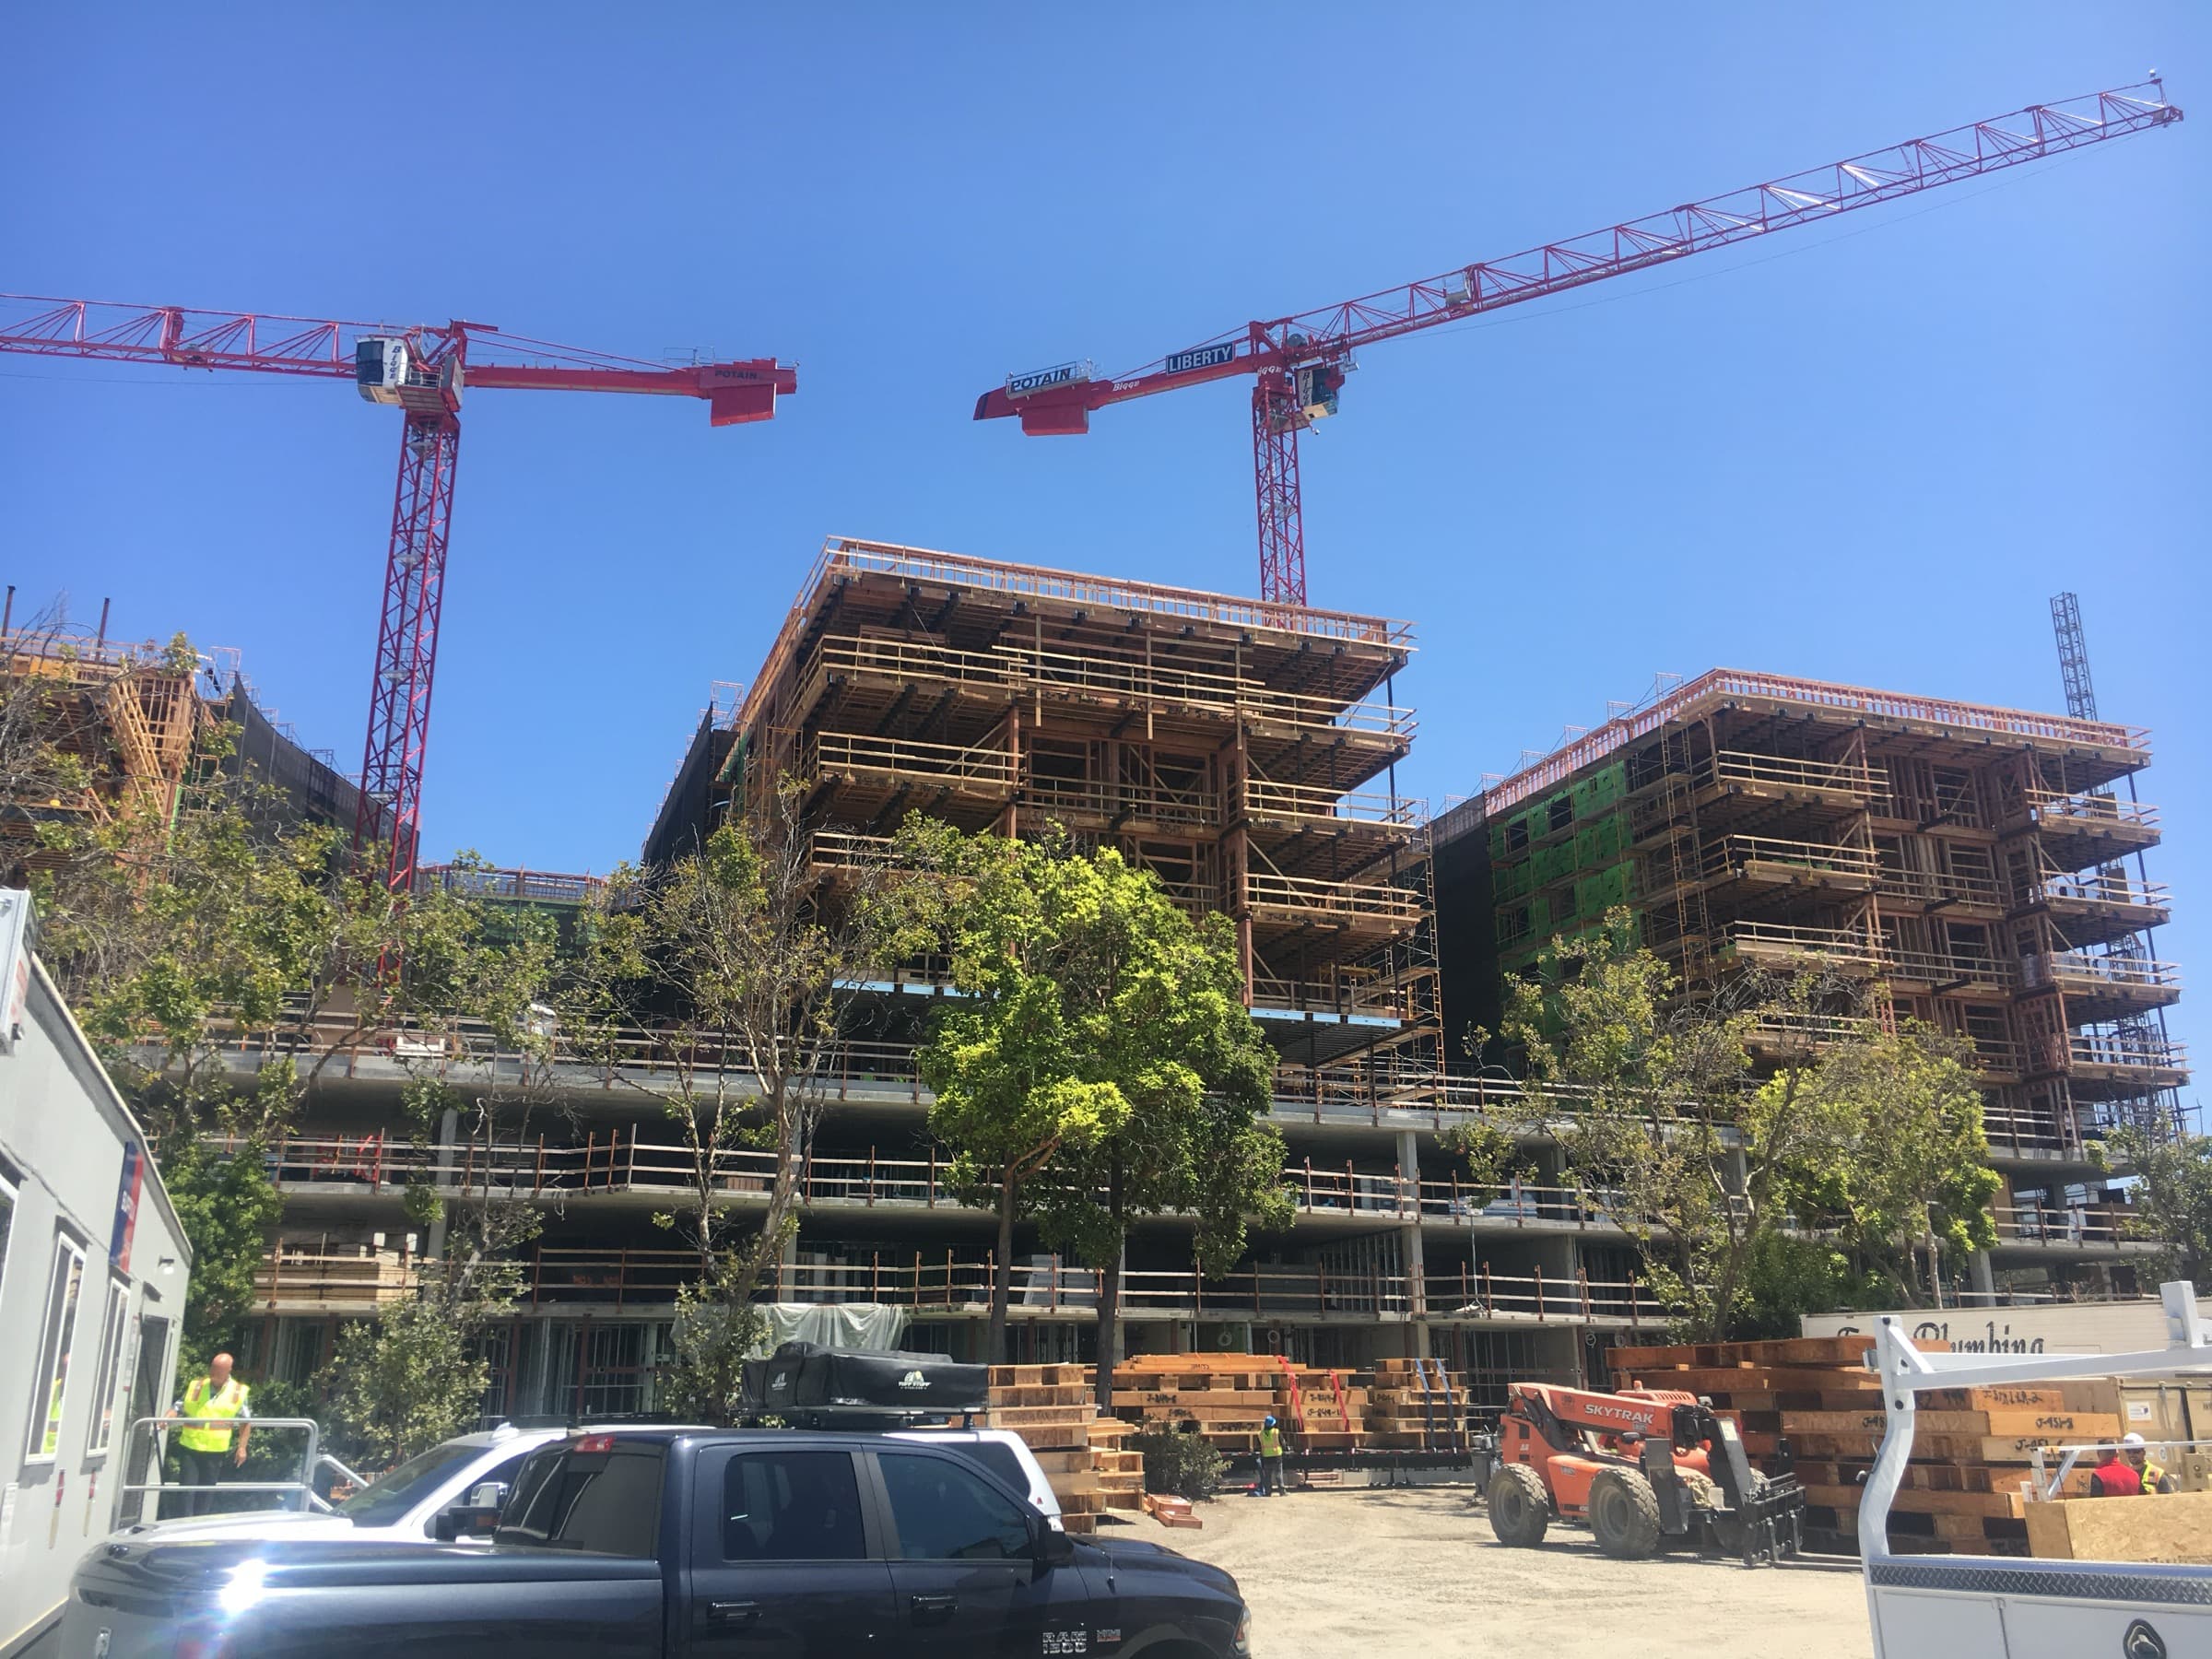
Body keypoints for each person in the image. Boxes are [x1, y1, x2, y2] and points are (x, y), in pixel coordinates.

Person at [169, 1352, 253, 1516]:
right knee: (186, 1491)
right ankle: (182, 1527)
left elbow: (246, 1421)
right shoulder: (198, 1386)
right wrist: (167, 1417)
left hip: (215, 1450)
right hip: (190, 1446)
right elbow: (178, 1407)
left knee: (206, 1493)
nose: (213, 1374)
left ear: (228, 1370)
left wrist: (242, 1448)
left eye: (218, 1371)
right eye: (212, 1369)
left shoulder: (237, 1391)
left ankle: (198, 1528)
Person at [2122, 1430, 2178, 1495]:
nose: (2132, 1454)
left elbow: (2169, 1499)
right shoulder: (2127, 1474)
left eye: (2135, 1451)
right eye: (2128, 1451)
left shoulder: (2155, 1473)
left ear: (2143, 1452)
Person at [1256, 1414, 1287, 1497]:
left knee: (1267, 1476)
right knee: (1278, 1474)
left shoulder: (1260, 1434)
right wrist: (1285, 1449)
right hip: (1277, 1456)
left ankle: (1268, 1492)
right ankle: (1282, 1492)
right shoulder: (1276, 1432)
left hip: (1266, 1456)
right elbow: (1282, 1442)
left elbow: (1259, 1446)